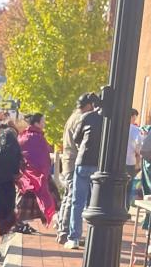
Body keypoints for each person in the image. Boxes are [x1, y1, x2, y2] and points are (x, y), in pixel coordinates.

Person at [65, 92, 102, 249]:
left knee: (77, 201)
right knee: (95, 204)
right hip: (99, 164)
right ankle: (93, 237)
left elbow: (76, 138)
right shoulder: (108, 120)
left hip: (83, 162)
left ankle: (74, 237)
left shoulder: (86, 117)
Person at [55, 94, 90, 243]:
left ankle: (62, 229)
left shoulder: (73, 116)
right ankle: (65, 232)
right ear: (88, 105)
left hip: (68, 159)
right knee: (72, 196)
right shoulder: (80, 118)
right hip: (74, 160)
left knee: (68, 195)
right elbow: (80, 142)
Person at [15, 113, 56, 229]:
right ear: (37, 123)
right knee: (48, 198)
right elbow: (43, 157)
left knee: (23, 201)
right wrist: (44, 171)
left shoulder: (23, 135)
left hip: (26, 174)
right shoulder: (37, 137)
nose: (44, 124)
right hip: (37, 174)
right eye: (43, 121)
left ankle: (19, 222)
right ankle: (18, 223)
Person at [127, 107, 144, 207]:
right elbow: (139, 145)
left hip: (117, 162)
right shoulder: (134, 129)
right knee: (128, 186)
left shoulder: (118, 127)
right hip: (130, 161)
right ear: (132, 116)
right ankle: (126, 207)